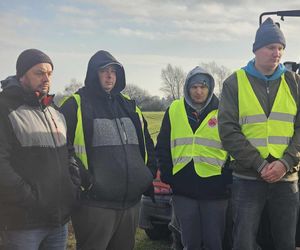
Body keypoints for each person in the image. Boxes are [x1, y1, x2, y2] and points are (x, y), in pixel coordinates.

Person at [60, 50, 157, 250]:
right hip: (94, 205)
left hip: (130, 204)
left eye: (113, 71)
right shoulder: (75, 105)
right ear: (93, 74)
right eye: (103, 70)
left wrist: (146, 175)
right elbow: (61, 149)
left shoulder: (130, 106)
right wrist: (86, 181)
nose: (109, 75)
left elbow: (147, 144)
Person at [218, 17, 300, 250]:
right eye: (271, 47)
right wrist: (260, 165)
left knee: (286, 242)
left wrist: (285, 162)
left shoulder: (295, 83)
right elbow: (227, 129)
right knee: (243, 241)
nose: (277, 53)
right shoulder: (234, 83)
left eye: (281, 48)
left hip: (286, 177)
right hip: (247, 178)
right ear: (256, 50)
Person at [0, 49, 78, 250]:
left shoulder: (54, 110)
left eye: (50, 73)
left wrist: (73, 183)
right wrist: (31, 199)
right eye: (39, 73)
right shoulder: (4, 108)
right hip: (23, 223)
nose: (46, 78)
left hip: (57, 220)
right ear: (22, 75)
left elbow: (68, 152)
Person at [156, 66, 231, 250]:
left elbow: (233, 147)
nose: (198, 91)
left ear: (210, 88)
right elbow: (163, 145)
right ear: (187, 88)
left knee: (215, 242)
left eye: (203, 87)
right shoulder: (174, 109)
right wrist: (167, 174)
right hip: (183, 188)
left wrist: (227, 178)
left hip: (216, 189)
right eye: (194, 87)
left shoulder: (224, 110)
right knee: (190, 242)